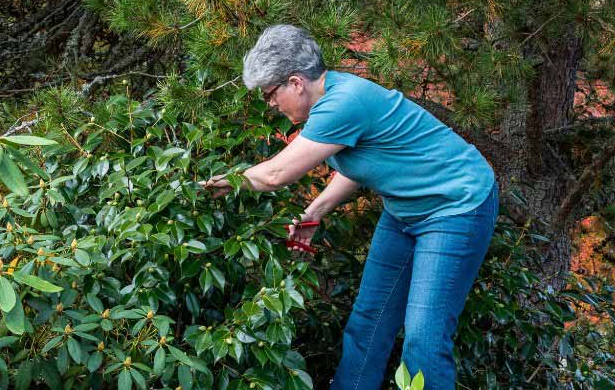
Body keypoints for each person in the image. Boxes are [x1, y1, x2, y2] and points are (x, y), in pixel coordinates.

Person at [199, 24, 499, 390]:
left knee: (424, 338)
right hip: (405, 211)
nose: (271, 104)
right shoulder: (332, 101)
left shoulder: (344, 103)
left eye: (269, 94)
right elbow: (365, 164)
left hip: (456, 207)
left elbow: (277, 174)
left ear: (295, 82)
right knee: (368, 322)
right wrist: (316, 210)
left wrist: (225, 182)